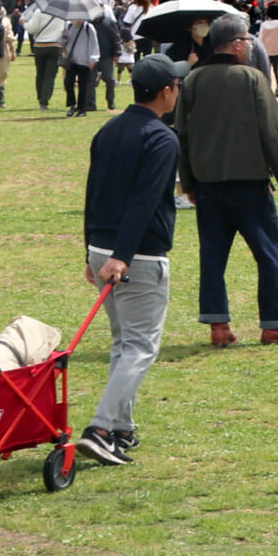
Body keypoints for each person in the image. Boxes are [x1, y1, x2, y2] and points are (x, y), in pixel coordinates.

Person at [175, 13, 278, 346]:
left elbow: (183, 136)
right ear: (236, 44)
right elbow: (273, 132)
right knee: (269, 254)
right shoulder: (252, 78)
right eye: (247, 40)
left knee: (213, 256)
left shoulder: (192, 81)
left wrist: (188, 183)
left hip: (207, 185)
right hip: (249, 183)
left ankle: (218, 326)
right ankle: (275, 324)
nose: (250, 46)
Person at [80, 56, 185, 466]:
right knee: (140, 346)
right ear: (166, 91)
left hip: (103, 248)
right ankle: (102, 427)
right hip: (135, 255)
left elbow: (92, 192)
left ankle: (121, 428)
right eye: (177, 84)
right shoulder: (162, 139)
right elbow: (145, 201)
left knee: (124, 343)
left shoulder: (108, 130)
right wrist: (122, 256)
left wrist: (91, 251)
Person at [62, 0, 103, 118]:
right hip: (72, 60)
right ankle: (72, 104)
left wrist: (93, 59)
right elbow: (64, 44)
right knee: (68, 82)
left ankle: (82, 108)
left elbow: (94, 44)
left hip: (85, 61)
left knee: (83, 85)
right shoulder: (69, 27)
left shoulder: (89, 28)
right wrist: (63, 37)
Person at [27, 0, 67, 112]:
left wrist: (23, 23)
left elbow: (31, 29)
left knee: (40, 73)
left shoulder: (39, 12)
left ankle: (40, 96)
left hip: (39, 46)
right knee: (50, 75)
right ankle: (44, 100)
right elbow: (65, 32)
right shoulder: (62, 14)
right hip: (55, 46)